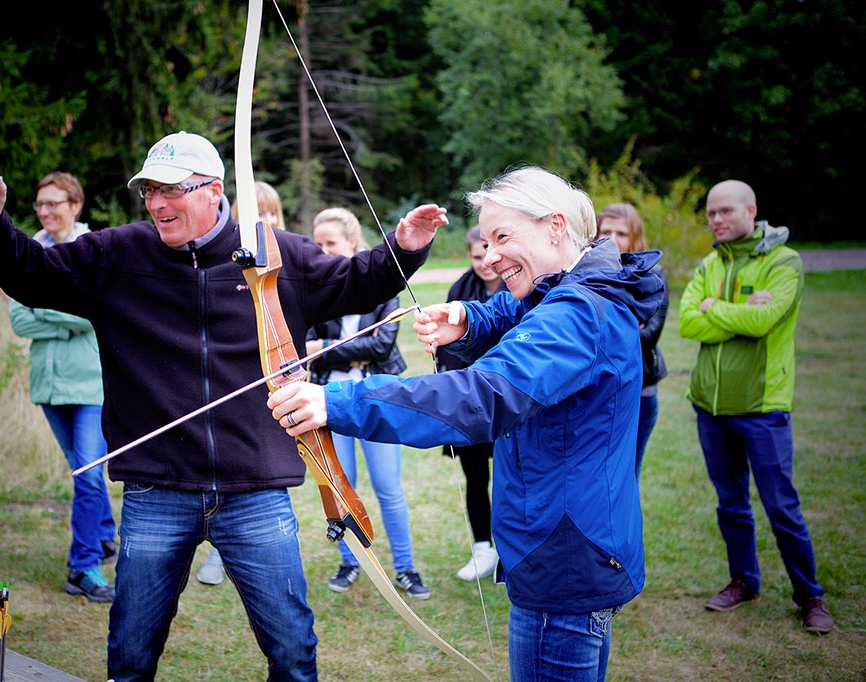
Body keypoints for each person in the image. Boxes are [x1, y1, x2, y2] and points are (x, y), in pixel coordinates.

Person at [0, 132, 445, 680]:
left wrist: (405, 247)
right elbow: (30, 275)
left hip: (255, 490)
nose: (157, 203)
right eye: (149, 192)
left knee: (293, 650)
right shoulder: (117, 255)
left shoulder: (272, 254)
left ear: (213, 190)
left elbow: (358, 281)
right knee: (131, 654)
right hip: (156, 489)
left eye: (171, 190)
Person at [268, 166, 665, 681]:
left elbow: (480, 397)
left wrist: (334, 402)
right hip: (574, 546)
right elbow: (523, 312)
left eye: (503, 237)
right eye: (487, 239)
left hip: (565, 557)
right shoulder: (579, 288)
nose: (491, 255)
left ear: (555, 226)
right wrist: (470, 319)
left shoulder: (579, 314)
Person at [679, 179, 834, 634]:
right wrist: (735, 310)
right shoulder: (710, 262)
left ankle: (810, 596)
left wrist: (716, 308)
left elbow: (765, 319)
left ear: (752, 210)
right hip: (710, 407)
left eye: (726, 211)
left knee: (781, 507)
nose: (718, 220)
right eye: (711, 214)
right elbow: (689, 321)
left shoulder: (784, 261)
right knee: (730, 504)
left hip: (762, 408)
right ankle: (743, 582)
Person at [305, 207, 429, 599]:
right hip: (329, 400)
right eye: (318, 244)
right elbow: (302, 343)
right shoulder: (314, 290)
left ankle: (406, 568)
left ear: (352, 244)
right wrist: (338, 353)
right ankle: (350, 559)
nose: (323, 251)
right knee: (341, 487)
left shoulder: (382, 287)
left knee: (388, 487)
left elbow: (381, 344)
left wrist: (324, 347)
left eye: (331, 244)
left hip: (376, 397)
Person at [7, 172, 118, 602]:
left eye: (54, 203)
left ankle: (83, 567)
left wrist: (45, 308)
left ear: (75, 205)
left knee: (88, 475)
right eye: (39, 204)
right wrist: (66, 313)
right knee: (83, 471)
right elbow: (19, 319)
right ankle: (106, 535)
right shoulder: (28, 254)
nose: (45, 212)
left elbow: (96, 313)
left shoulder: (94, 252)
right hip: (50, 387)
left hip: (91, 385)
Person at [198, 180, 289, 587]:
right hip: (235, 380)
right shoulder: (230, 264)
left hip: (274, 384)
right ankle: (218, 553)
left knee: (259, 468)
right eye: (255, 213)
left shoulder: (288, 262)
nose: (263, 220)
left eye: (269, 213)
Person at [435, 225, 505, 581]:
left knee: (510, 477)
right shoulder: (460, 289)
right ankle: (482, 548)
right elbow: (445, 351)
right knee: (475, 477)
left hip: (507, 399)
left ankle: (510, 552)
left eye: (490, 253)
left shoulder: (519, 287)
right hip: (468, 400)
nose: (485, 263)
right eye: (477, 256)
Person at [596, 202, 669, 479]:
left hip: (640, 390)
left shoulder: (652, 277)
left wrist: (605, 326)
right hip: (601, 389)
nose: (613, 239)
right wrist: (626, 323)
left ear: (635, 236)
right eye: (606, 231)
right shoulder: (590, 275)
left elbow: (648, 335)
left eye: (622, 233)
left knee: (626, 476)